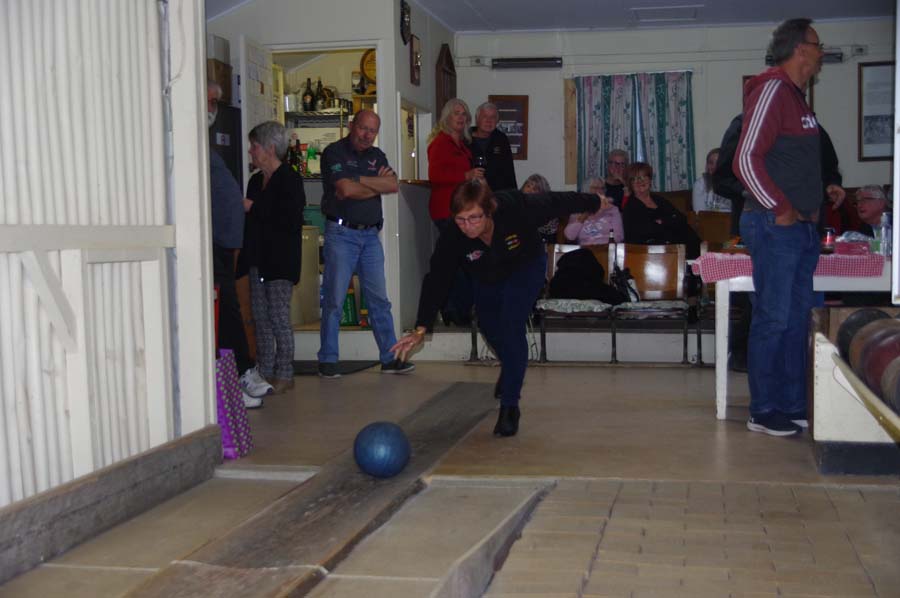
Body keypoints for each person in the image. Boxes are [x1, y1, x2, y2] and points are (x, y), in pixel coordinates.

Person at [391, 180, 602, 437]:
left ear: (489, 210)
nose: (468, 226)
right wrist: (421, 327)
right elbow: (437, 278)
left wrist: (595, 202)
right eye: (461, 219)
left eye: (474, 218)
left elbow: (558, 201)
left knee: (512, 324)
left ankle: (510, 406)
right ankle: (512, 365)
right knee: (489, 324)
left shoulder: (515, 206)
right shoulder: (453, 235)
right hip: (488, 275)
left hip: (526, 265)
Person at [733, 18, 824, 436]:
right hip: (775, 225)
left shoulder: (797, 98)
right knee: (773, 318)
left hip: (800, 228)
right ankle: (764, 409)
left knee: (797, 319)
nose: (822, 53)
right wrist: (780, 207)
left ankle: (792, 404)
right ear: (800, 49)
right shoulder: (772, 88)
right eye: (818, 45)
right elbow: (744, 159)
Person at [317, 110, 414, 378]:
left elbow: (392, 185)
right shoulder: (334, 153)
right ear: (352, 126)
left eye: (372, 131)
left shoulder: (377, 155)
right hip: (341, 234)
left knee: (379, 301)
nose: (367, 135)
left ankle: (390, 358)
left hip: (370, 236)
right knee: (335, 301)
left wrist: (358, 180)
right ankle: (328, 360)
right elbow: (345, 190)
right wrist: (374, 184)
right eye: (363, 128)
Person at [208, 82, 273, 409]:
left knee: (228, 313)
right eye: (210, 101)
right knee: (226, 315)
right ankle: (238, 378)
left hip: (223, 246)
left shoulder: (206, 146)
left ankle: (240, 377)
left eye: (216, 102)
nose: (213, 109)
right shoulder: (190, 144)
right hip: (211, 245)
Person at [236, 121, 305, 395]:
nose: (250, 152)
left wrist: (254, 207)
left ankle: (285, 373)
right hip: (258, 260)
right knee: (260, 319)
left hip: (280, 262)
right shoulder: (255, 181)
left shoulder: (290, 179)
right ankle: (263, 372)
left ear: (269, 149)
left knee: (278, 318)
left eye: (254, 146)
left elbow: (288, 219)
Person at [427, 99, 483, 326]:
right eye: (456, 113)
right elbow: (435, 176)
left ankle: (458, 309)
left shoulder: (462, 145)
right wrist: (465, 176)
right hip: (446, 211)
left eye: (464, 114)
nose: (461, 117)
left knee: (461, 260)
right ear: (447, 117)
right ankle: (453, 310)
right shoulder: (440, 143)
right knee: (457, 261)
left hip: (462, 210)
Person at [622, 162, 701, 258]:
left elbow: (681, 218)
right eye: (634, 179)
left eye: (643, 177)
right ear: (630, 184)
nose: (640, 181)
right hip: (651, 252)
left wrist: (662, 221)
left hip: (675, 245)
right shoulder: (630, 207)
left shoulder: (659, 199)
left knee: (689, 234)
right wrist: (668, 222)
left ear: (650, 180)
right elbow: (645, 231)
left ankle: (702, 259)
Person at [469, 102, 517, 192]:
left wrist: (513, 196)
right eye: (485, 116)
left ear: (497, 121)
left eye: (493, 117)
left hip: (496, 194)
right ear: (477, 119)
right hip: (470, 193)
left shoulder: (501, 139)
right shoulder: (465, 139)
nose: (489, 121)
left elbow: (509, 172)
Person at [564, 179, 624, 245]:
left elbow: (619, 236)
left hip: (606, 247)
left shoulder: (612, 209)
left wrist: (602, 244)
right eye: (595, 188)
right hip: (586, 248)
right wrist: (583, 217)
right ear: (586, 191)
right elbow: (569, 236)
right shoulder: (577, 210)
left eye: (602, 188)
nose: (599, 191)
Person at [520, 173, 558, 243]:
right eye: (528, 186)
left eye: (534, 189)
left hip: (544, 239)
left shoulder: (545, 205)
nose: (529, 190)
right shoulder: (519, 201)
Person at [692, 148, 731, 213]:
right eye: (711, 162)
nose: (714, 166)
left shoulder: (734, 184)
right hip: (709, 219)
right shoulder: (700, 184)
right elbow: (698, 213)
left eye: (718, 163)